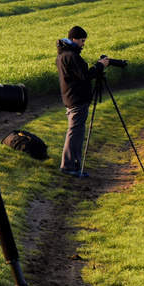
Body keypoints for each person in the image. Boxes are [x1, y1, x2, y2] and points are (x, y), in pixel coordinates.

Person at [56, 25, 108, 176]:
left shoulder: (63, 55)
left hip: (72, 97)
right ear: (74, 39)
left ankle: (74, 164)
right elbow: (85, 75)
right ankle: (68, 166)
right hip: (76, 99)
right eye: (82, 40)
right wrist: (100, 66)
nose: (83, 44)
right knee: (74, 132)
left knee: (77, 131)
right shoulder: (71, 56)